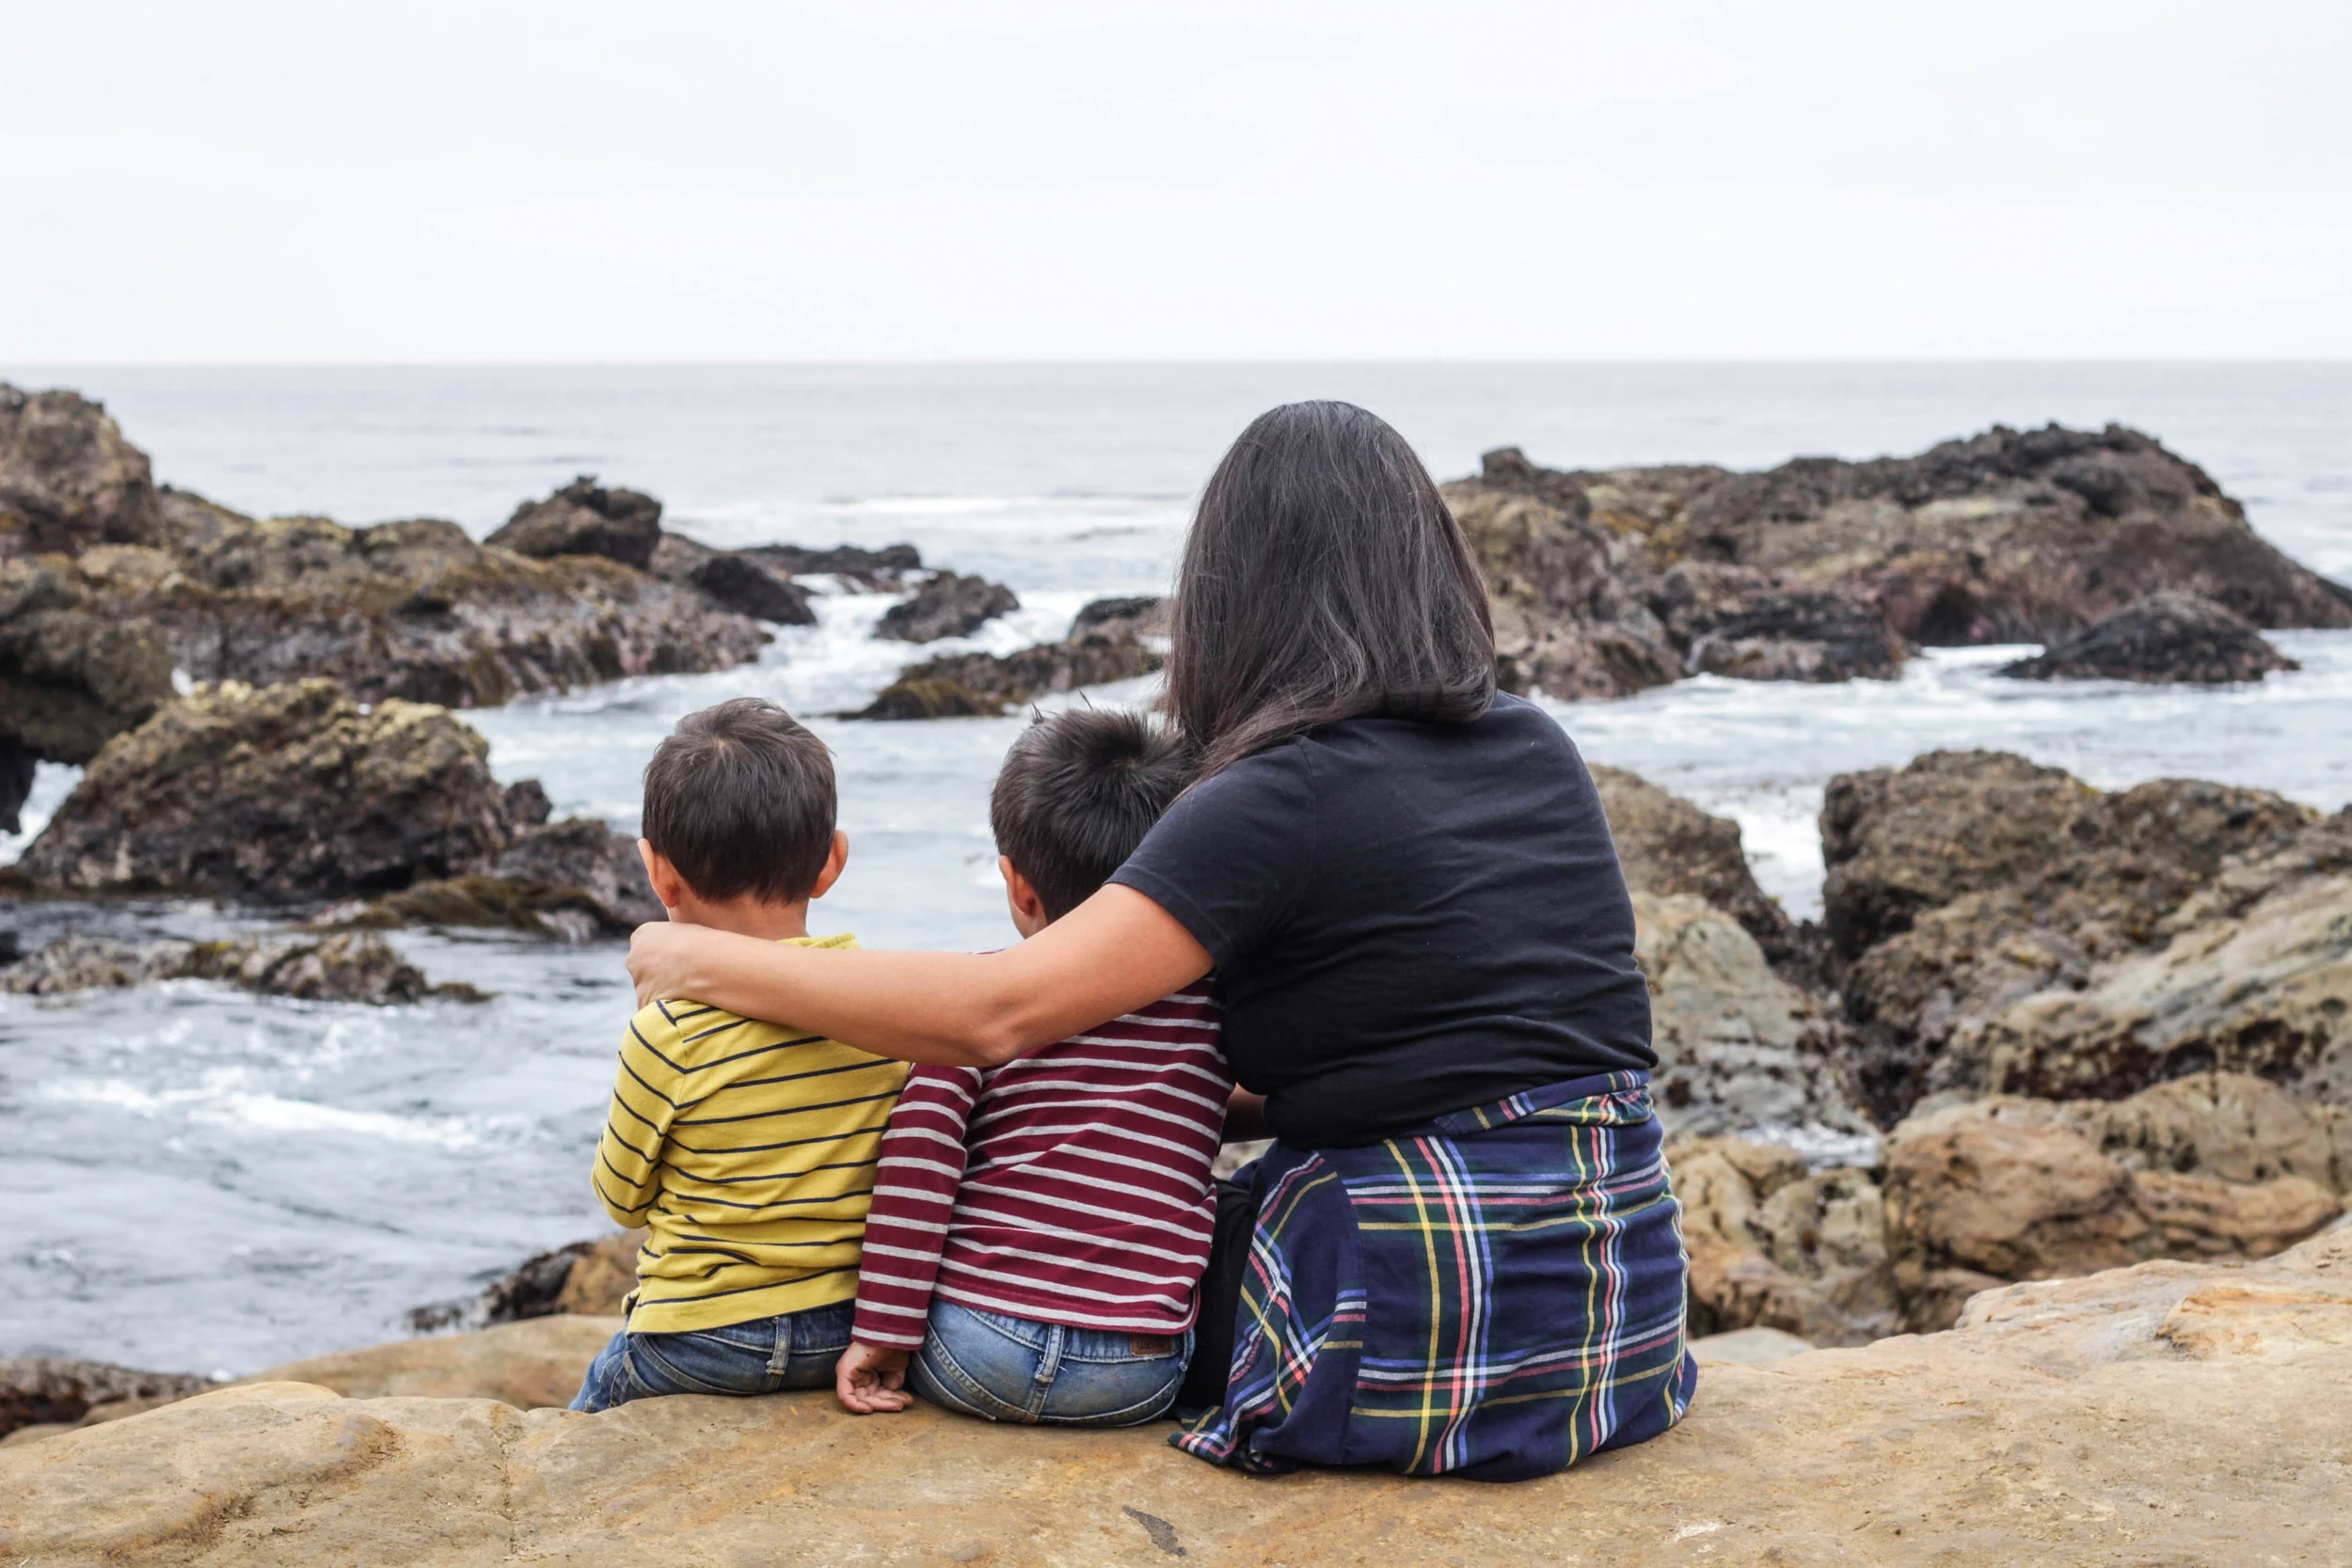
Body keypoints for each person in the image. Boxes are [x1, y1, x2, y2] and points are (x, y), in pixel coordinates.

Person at [627, 401, 1698, 1481]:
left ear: (1235, 589)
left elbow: (995, 1015)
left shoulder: (1278, 795)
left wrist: (699, 958)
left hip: (1426, 1307)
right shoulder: (1533, 742)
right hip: (1618, 1296)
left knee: (1054, 1270)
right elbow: (1461, 1052)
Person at [833, 707, 1231, 1426]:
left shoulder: (975, 1001)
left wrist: (884, 1331)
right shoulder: (1213, 1007)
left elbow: (920, 1155)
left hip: (976, 1346)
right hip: (1137, 1368)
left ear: (1018, 887)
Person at [570, 698, 908, 1414]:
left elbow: (620, 1199)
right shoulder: (888, 1007)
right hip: (844, 1328)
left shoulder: (668, 1035)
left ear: (659, 875)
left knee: (572, 1443)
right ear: (831, 862)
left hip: (701, 1337)